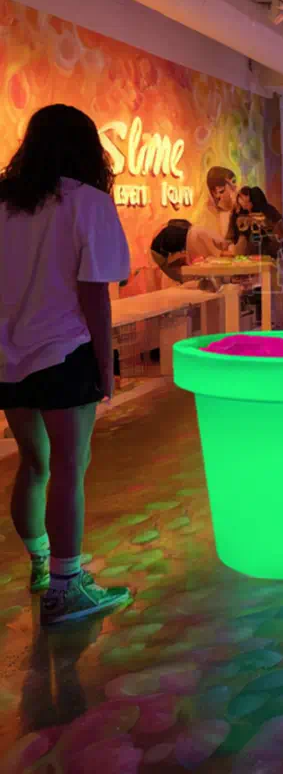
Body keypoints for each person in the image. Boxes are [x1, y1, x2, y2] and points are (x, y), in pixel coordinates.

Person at [0, 104, 133, 626]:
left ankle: (40, 566)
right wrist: (106, 366)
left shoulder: (5, 201)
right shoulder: (87, 203)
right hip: (63, 350)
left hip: (7, 354)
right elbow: (94, 294)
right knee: (69, 468)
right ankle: (65, 586)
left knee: (34, 463)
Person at [150, 218, 232, 283]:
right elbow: (217, 256)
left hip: (164, 250)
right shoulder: (196, 235)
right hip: (162, 250)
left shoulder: (195, 234)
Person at [229, 186, 283, 259]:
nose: (244, 207)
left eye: (247, 203)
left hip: (268, 254)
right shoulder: (238, 214)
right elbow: (232, 236)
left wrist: (264, 225)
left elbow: (279, 235)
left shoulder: (269, 212)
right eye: (241, 204)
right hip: (245, 256)